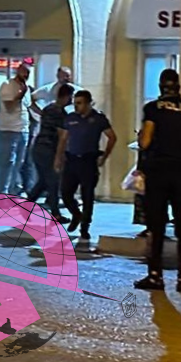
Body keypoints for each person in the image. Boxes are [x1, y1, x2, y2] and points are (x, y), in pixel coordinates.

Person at [133, 68, 181, 293]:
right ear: (177, 86)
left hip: (158, 171)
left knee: (157, 224)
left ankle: (155, 275)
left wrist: (141, 135)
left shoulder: (153, 108)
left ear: (161, 86)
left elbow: (145, 141)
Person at [55, 89, 116, 246]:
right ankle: (76, 214)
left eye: (80, 103)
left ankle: (85, 227)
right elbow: (63, 139)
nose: (77, 106)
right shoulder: (70, 118)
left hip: (88, 161)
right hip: (72, 160)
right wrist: (58, 158)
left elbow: (112, 137)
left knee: (87, 195)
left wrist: (104, 156)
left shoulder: (98, 119)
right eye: (75, 103)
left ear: (89, 103)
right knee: (66, 193)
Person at [27, 82, 73, 219]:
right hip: (49, 149)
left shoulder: (48, 109)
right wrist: (59, 157)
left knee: (43, 182)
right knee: (53, 181)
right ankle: (55, 213)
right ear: (66, 96)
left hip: (39, 147)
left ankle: (25, 208)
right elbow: (62, 136)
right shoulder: (59, 113)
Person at [0, 62, 32, 194]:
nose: (26, 75)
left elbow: (28, 106)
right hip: (8, 130)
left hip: (23, 129)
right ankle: (3, 192)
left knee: (19, 163)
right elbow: (9, 107)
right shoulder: (7, 85)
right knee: (7, 162)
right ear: (17, 71)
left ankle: (12, 190)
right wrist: (21, 94)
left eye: (28, 73)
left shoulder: (26, 88)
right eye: (24, 72)